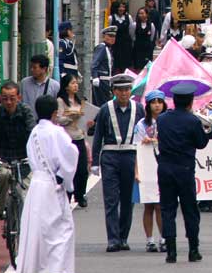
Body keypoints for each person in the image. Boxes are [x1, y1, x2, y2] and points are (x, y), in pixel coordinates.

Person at [16, 95, 79, 273]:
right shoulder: (57, 132)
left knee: (42, 228)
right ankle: (58, 271)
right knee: (61, 226)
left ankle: (43, 271)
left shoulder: (34, 132)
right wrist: (64, 177)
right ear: (54, 113)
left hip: (37, 182)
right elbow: (71, 152)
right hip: (52, 182)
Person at [156, 82, 212, 263]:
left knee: (167, 209)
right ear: (190, 102)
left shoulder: (162, 119)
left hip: (165, 168)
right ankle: (193, 250)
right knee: (190, 209)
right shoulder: (193, 120)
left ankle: (171, 251)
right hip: (185, 169)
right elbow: (201, 143)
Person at [90, 74, 144, 252]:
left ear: (131, 91)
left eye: (127, 89)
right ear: (114, 91)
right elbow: (98, 136)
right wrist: (95, 161)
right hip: (110, 157)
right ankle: (112, 239)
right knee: (111, 199)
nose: (124, 93)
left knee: (128, 200)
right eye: (120, 90)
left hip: (131, 156)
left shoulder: (139, 109)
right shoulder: (105, 109)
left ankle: (123, 237)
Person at [0, 81, 36, 218]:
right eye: (5, 99)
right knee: (3, 175)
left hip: (23, 157)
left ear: (19, 98)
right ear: (0, 99)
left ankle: (25, 221)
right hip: (2, 157)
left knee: (23, 191)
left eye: (12, 98)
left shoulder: (26, 112)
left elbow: (33, 132)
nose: (9, 102)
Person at [133, 90, 167, 253]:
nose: (157, 105)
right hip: (147, 167)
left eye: (160, 102)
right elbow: (137, 148)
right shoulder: (141, 125)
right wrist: (137, 171)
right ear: (148, 105)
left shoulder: (167, 121)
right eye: (154, 102)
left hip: (163, 166)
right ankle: (149, 240)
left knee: (160, 205)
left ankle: (163, 238)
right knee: (148, 205)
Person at [56, 73, 89, 208]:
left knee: (82, 169)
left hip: (79, 137)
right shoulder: (60, 101)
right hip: (67, 140)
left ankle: (80, 195)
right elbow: (58, 119)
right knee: (69, 169)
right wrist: (71, 117)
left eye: (76, 83)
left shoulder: (80, 101)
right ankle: (67, 195)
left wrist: (89, 123)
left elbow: (84, 119)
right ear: (66, 86)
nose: (75, 85)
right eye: (72, 83)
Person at [91, 26, 117, 106]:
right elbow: (95, 63)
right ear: (104, 36)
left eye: (114, 36)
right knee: (101, 105)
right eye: (110, 36)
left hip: (107, 81)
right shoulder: (102, 47)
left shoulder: (108, 48)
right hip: (101, 81)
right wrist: (95, 77)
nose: (112, 38)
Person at [109, 1, 133, 73]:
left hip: (126, 43)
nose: (121, 9)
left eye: (123, 7)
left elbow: (131, 30)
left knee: (125, 62)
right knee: (116, 61)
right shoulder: (111, 18)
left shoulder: (128, 17)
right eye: (120, 7)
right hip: (115, 44)